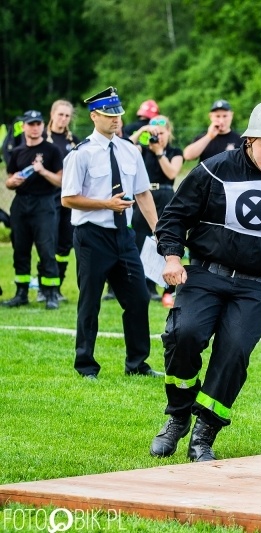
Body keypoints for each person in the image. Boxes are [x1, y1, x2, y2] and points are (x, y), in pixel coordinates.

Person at [150, 97, 261, 462]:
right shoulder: (213, 170)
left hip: (259, 286)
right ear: (249, 140)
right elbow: (175, 216)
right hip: (205, 275)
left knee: (233, 354)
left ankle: (204, 434)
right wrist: (171, 257)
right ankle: (177, 416)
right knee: (185, 335)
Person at [61, 86, 163, 380]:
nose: (116, 119)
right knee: (90, 301)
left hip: (124, 236)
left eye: (118, 113)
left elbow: (143, 194)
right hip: (92, 236)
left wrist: (159, 231)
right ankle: (86, 366)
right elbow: (68, 198)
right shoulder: (80, 154)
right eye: (109, 115)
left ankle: (137, 363)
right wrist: (105, 204)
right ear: (94, 116)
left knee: (139, 298)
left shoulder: (130, 150)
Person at [3, 110, 64, 309]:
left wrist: (43, 171)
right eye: (31, 124)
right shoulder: (17, 152)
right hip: (21, 203)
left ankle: (51, 293)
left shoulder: (52, 150)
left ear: (42, 125)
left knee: (47, 249)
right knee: (20, 249)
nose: (35, 127)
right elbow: (9, 181)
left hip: (44, 203)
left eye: (38, 123)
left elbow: (60, 180)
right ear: (25, 127)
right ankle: (21, 293)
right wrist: (14, 181)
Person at [129, 115, 184, 307]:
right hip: (145, 196)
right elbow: (126, 147)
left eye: (161, 133)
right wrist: (141, 132)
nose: (157, 137)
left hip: (166, 196)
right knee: (140, 240)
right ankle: (144, 285)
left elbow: (171, 173)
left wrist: (160, 152)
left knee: (164, 240)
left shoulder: (174, 151)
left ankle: (166, 288)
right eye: (154, 133)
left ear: (169, 133)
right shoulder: (142, 150)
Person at [43, 100, 83, 302]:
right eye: (60, 114)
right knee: (48, 242)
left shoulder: (73, 141)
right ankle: (44, 286)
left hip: (69, 198)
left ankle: (57, 284)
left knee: (65, 244)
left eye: (67, 116)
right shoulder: (42, 138)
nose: (63, 119)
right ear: (52, 114)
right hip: (47, 197)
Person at [183, 99, 243, 164]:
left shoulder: (241, 140)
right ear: (211, 116)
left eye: (225, 116)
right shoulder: (203, 138)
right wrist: (209, 136)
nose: (221, 121)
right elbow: (187, 156)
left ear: (231, 115)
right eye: (217, 116)